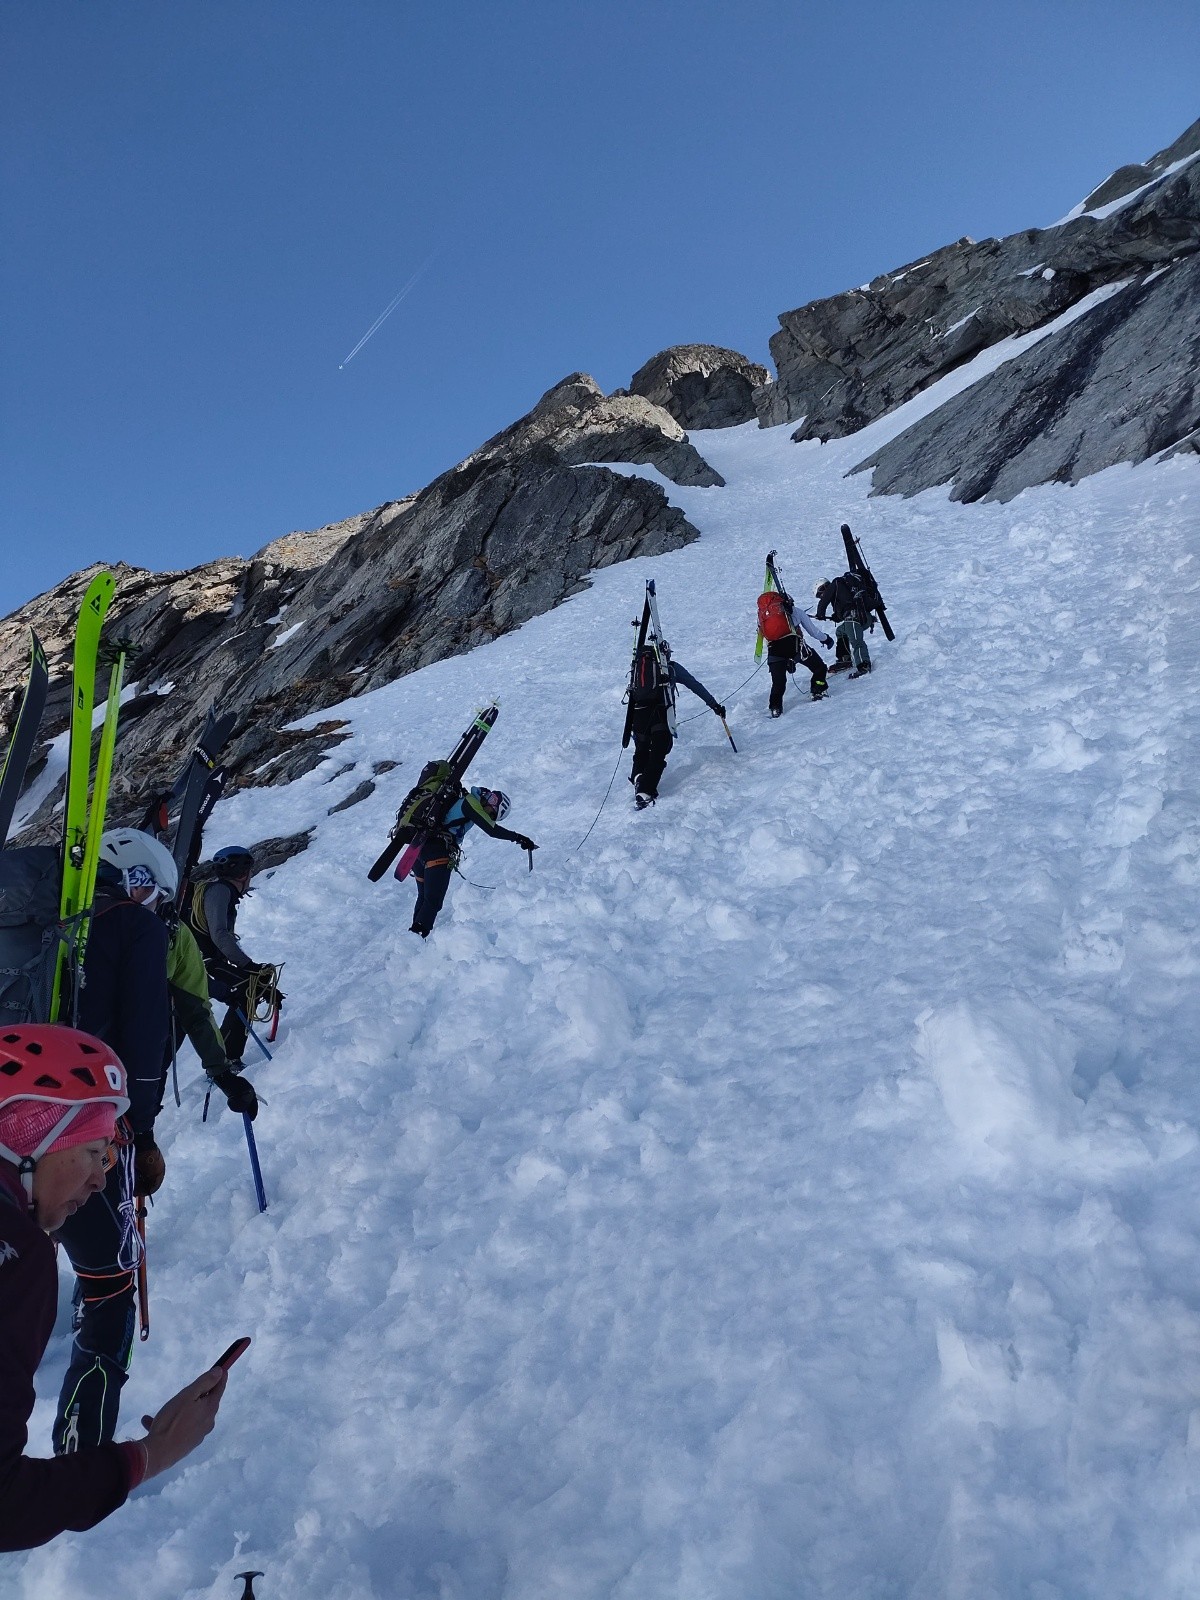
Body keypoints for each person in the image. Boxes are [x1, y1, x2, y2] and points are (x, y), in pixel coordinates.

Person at [0, 1023, 228, 1551]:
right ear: (29, 1145)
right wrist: (157, 1450)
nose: (102, 1179)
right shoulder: (17, 1257)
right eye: (94, 1151)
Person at [53, 829, 175, 1455]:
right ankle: (83, 1458)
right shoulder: (134, 928)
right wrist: (143, 1134)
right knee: (109, 1280)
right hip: (88, 1131)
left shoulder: (40, 915)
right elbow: (146, 1038)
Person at [183, 845, 279, 1069]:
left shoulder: (214, 890)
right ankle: (227, 1060)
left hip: (201, 961)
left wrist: (248, 969)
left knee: (249, 989)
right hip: (202, 963)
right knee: (247, 991)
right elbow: (219, 934)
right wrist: (249, 966)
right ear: (243, 873)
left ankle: (225, 1056)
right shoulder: (221, 891)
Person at [409, 788, 537, 938]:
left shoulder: (465, 800)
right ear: (493, 802)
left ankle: (412, 938)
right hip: (438, 853)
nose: (489, 817)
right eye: (492, 814)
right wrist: (519, 838)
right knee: (433, 902)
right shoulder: (470, 803)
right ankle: (417, 935)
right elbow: (492, 830)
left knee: (424, 897)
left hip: (420, 849)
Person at [628, 641, 725, 808]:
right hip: (660, 714)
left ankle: (638, 776)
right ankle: (645, 790)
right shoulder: (671, 668)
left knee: (642, 748)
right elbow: (695, 686)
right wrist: (714, 705)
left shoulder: (638, 668)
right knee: (659, 751)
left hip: (638, 714)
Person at [757, 579, 834, 717]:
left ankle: (775, 708)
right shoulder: (797, 612)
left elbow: (764, 634)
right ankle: (817, 689)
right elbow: (813, 632)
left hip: (775, 651)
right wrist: (827, 639)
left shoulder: (764, 617)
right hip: (795, 648)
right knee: (819, 668)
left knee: (778, 682)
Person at [814, 571, 873, 679]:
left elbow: (824, 600)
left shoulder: (835, 584)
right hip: (863, 617)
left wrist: (820, 613)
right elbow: (844, 608)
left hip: (854, 617)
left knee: (856, 641)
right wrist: (836, 616)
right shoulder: (841, 591)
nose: (821, 596)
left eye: (820, 594)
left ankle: (863, 665)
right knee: (840, 631)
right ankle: (844, 659)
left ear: (823, 588)